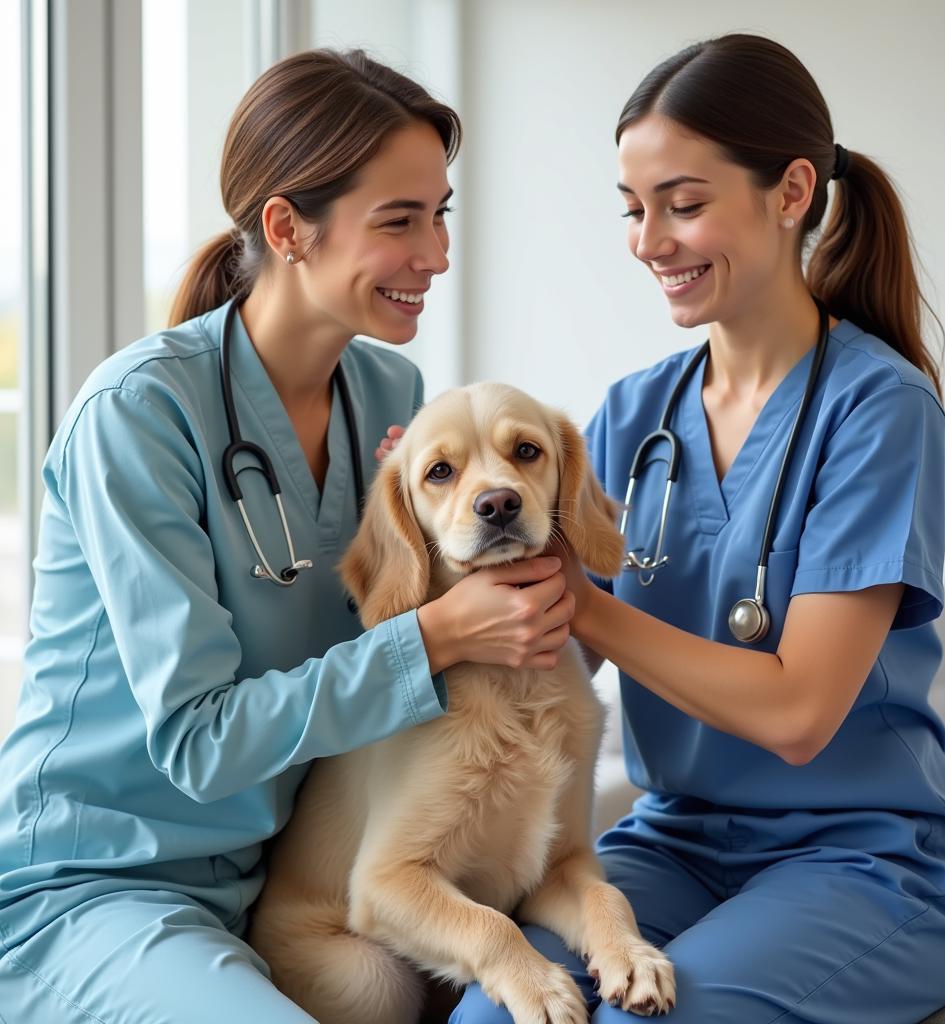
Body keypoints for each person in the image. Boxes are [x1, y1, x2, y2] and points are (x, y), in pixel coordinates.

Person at [0, 49, 577, 1022]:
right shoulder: (138, 414)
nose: (434, 254)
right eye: (399, 221)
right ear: (285, 228)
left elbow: (412, 627)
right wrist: (440, 635)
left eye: (439, 215)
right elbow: (197, 740)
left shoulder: (390, 400)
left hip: (294, 880)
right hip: (102, 886)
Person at [449, 33, 945, 1024]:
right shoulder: (632, 414)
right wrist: (436, 515)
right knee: (498, 1010)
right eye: (632, 209)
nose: (647, 239)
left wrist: (582, 604)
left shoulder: (879, 411)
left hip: (864, 855)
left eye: (683, 203)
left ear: (790, 191)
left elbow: (797, 715)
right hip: (673, 841)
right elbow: (546, 655)